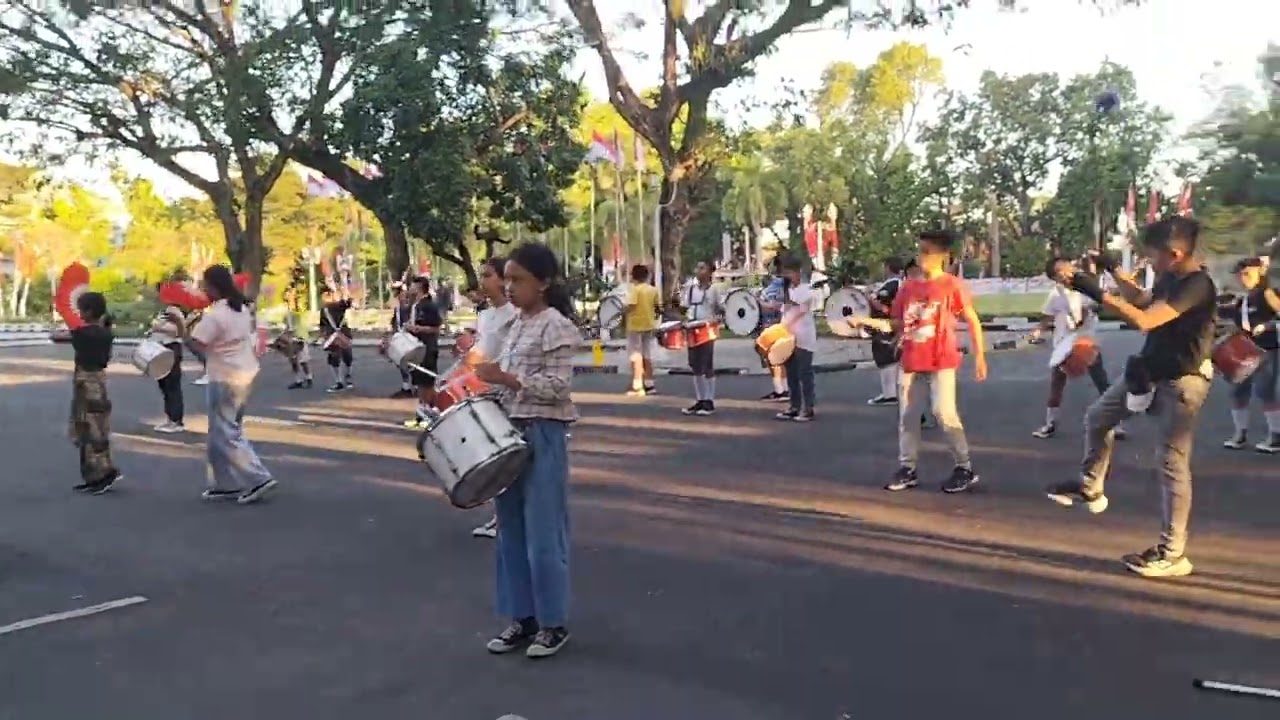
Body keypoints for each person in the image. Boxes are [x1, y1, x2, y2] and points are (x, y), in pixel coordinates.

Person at [1046, 217, 1215, 578]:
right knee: (1097, 418)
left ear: (1175, 253)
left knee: (1172, 463)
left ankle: (1173, 553)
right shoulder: (1171, 275)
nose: (1150, 263)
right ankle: (1091, 487)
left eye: (1153, 256)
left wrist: (1091, 288)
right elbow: (1140, 298)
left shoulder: (1198, 285)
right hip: (1148, 371)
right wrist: (1112, 270)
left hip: (1181, 382)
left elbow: (1145, 319)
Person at [471, 242, 579, 659]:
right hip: (508, 433)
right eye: (508, 279)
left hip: (543, 434)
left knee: (543, 534)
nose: (509, 287)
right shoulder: (515, 324)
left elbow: (559, 387)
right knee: (510, 530)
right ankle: (522, 616)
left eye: (518, 280)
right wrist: (486, 385)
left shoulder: (556, 325)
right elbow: (508, 380)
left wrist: (509, 379)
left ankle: (553, 623)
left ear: (544, 282)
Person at [850, 230, 987, 493]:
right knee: (908, 417)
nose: (921, 256)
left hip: (941, 359)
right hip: (911, 359)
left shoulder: (951, 285)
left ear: (943, 256)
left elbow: (971, 318)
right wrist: (865, 321)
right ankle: (907, 468)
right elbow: (898, 324)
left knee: (943, 413)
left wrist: (980, 355)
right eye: (920, 250)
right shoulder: (908, 288)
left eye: (927, 251)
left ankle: (964, 467)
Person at [185, 265, 276, 504]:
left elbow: (197, 344)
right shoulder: (241, 308)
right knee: (220, 429)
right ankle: (224, 483)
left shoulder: (216, 315)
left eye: (205, 286)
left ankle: (258, 478)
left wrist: (182, 328)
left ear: (214, 287)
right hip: (245, 371)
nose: (203, 290)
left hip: (225, 377)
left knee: (226, 431)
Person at [1030, 257, 1126, 440]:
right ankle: (1050, 423)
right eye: (1059, 276)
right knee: (1057, 384)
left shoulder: (1086, 287)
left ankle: (1116, 424)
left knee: (1101, 381)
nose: (1065, 277)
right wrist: (1038, 330)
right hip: (1064, 344)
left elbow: (1100, 305)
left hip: (1085, 341)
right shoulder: (1056, 295)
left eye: (1065, 272)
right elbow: (1047, 318)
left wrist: (1090, 311)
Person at [463, 257, 520, 539]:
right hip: (490, 389)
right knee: (497, 457)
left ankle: (506, 520)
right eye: (481, 275)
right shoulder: (485, 315)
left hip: (510, 389)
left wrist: (475, 355)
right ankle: (501, 517)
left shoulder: (514, 314)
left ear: (502, 279)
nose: (483, 281)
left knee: (508, 458)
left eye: (488, 275)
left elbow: (491, 351)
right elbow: (479, 348)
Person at [1220, 257, 1280, 453]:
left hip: (1266, 350)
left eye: (1247, 273)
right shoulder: (1242, 300)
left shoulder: (1268, 294)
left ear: (1260, 273)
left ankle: (1275, 436)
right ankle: (1240, 435)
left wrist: (1269, 325)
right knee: (1238, 392)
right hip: (1244, 352)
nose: (1242, 278)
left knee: (1265, 393)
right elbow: (1235, 323)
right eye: (1239, 274)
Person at [66, 291, 122, 494]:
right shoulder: (105, 332)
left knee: (88, 429)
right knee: (97, 427)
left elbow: (60, 336)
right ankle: (95, 474)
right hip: (99, 380)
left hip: (86, 383)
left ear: (89, 311)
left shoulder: (84, 333)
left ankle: (101, 473)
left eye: (81, 310)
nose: (79, 314)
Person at [773, 254, 817, 422]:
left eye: (788, 272)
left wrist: (785, 321)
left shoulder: (806, 290)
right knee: (791, 372)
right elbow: (785, 309)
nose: (786, 276)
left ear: (797, 272)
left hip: (803, 336)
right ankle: (794, 406)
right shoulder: (787, 289)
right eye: (784, 272)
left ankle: (808, 408)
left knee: (804, 373)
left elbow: (801, 310)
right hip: (787, 336)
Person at [679, 260, 725, 416]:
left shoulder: (715, 290)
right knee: (695, 365)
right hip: (692, 329)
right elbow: (685, 307)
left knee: (707, 364)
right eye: (697, 267)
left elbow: (722, 309)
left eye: (702, 268)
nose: (698, 271)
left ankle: (709, 401)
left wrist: (719, 318)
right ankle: (700, 400)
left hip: (707, 329)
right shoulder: (690, 289)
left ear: (710, 271)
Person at [403, 276, 443, 429]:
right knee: (419, 381)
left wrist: (419, 329)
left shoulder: (429, 305)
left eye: (413, 286)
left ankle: (431, 414)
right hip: (417, 347)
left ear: (420, 288)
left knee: (427, 382)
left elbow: (436, 327)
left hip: (428, 347)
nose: (410, 289)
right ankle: (421, 415)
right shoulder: (416, 305)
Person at [866, 256, 906, 406]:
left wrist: (870, 298)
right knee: (891, 358)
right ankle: (892, 392)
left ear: (888, 267)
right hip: (890, 325)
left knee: (885, 358)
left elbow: (884, 307)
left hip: (885, 325)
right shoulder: (898, 283)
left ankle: (889, 394)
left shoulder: (892, 285)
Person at [148, 286, 188, 433]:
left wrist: (157, 328)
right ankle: (171, 419)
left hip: (170, 348)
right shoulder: (168, 310)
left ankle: (175, 420)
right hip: (164, 348)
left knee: (171, 386)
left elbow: (179, 331)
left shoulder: (173, 311)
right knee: (166, 385)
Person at [623, 264, 659, 397]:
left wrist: (621, 313)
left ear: (633, 276)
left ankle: (637, 385)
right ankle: (650, 384)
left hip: (635, 326)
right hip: (649, 325)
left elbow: (631, 306)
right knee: (647, 355)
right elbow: (657, 308)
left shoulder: (635, 290)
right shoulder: (653, 290)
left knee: (635, 355)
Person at [758, 255, 789, 402]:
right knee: (777, 360)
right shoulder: (786, 285)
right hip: (779, 325)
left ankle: (780, 390)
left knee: (774, 359)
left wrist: (760, 303)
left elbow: (777, 306)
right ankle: (783, 389)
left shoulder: (779, 286)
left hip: (775, 326)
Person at [318, 285, 355, 392]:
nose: (326, 297)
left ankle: (348, 377)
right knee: (334, 357)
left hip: (343, 334)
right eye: (324, 294)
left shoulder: (340, 304)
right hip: (332, 336)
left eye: (328, 294)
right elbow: (322, 324)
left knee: (348, 357)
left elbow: (348, 302)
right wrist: (324, 336)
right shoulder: (324, 309)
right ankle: (338, 381)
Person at [387, 281, 415, 398]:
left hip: (410, 338)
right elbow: (395, 323)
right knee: (401, 362)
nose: (399, 296)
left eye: (401, 293)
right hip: (400, 338)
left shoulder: (411, 308)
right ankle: (406, 387)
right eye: (397, 293)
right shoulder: (397, 309)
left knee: (413, 363)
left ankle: (416, 386)